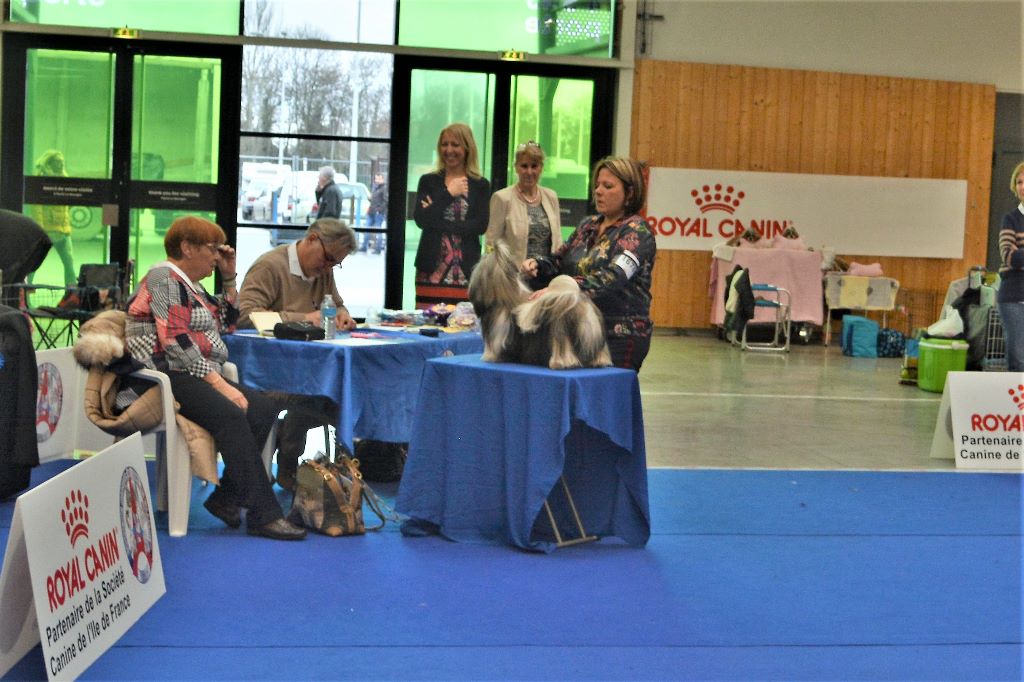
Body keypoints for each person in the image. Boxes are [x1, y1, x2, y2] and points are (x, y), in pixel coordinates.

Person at [124, 216, 306, 540]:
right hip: (160, 375)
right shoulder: (163, 278)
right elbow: (176, 343)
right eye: (212, 249)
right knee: (233, 412)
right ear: (186, 248)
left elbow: (227, 324)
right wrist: (221, 385)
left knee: (263, 409)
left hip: (188, 372)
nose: (217, 255)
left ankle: (226, 500)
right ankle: (264, 515)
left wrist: (229, 277)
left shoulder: (188, 284)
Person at [237, 218, 356, 490]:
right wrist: (305, 318)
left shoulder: (322, 271)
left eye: (334, 264)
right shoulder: (269, 266)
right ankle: (291, 462)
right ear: (312, 238)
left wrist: (343, 315)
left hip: (306, 372)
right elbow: (245, 316)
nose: (327, 267)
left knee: (336, 394)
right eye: (327, 258)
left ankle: (309, 469)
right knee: (322, 397)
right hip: (269, 373)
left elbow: (336, 305)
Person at [522, 156, 656, 372]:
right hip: (578, 329)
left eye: (608, 186)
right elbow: (559, 259)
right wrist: (538, 265)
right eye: (597, 185)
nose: (599, 191)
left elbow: (613, 276)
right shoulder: (588, 225)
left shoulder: (638, 232)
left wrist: (562, 289)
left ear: (629, 193)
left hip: (620, 336)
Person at [413, 122, 490, 308]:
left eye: (455, 145)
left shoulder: (480, 185)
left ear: (467, 148)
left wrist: (437, 219)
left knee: (463, 325)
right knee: (427, 326)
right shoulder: (428, 181)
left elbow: (480, 226)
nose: (449, 150)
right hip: (429, 269)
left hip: (466, 271)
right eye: (444, 144)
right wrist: (449, 193)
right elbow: (421, 220)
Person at [485, 140, 563, 264]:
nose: (529, 172)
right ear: (516, 167)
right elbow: (491, 245)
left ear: (541, 168)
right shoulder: (501, 198)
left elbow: (558, 242)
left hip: (547, 274)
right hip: (513, 276)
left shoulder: (551, 197)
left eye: (534, 166)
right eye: (524, 166)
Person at [29, 150, 76, 286]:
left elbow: (66, 206)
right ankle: (24, 293)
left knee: (69, 263)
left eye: (62, 162)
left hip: (63, 231)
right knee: (33, 265)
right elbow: (37, 207)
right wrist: (40, 229)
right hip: (47, 231)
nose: (61, 165)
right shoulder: (42, 178)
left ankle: (72, 294)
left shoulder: (64, 178)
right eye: (58, 162)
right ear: (49, 163)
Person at [997, 161, 1024, 372]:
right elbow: (1009, 256)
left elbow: (1018, 257)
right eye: (1019, 182)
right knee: (1018, 359)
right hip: (1013, 297)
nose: (1022, 186)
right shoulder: (1010, 219)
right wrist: (1016, 257)